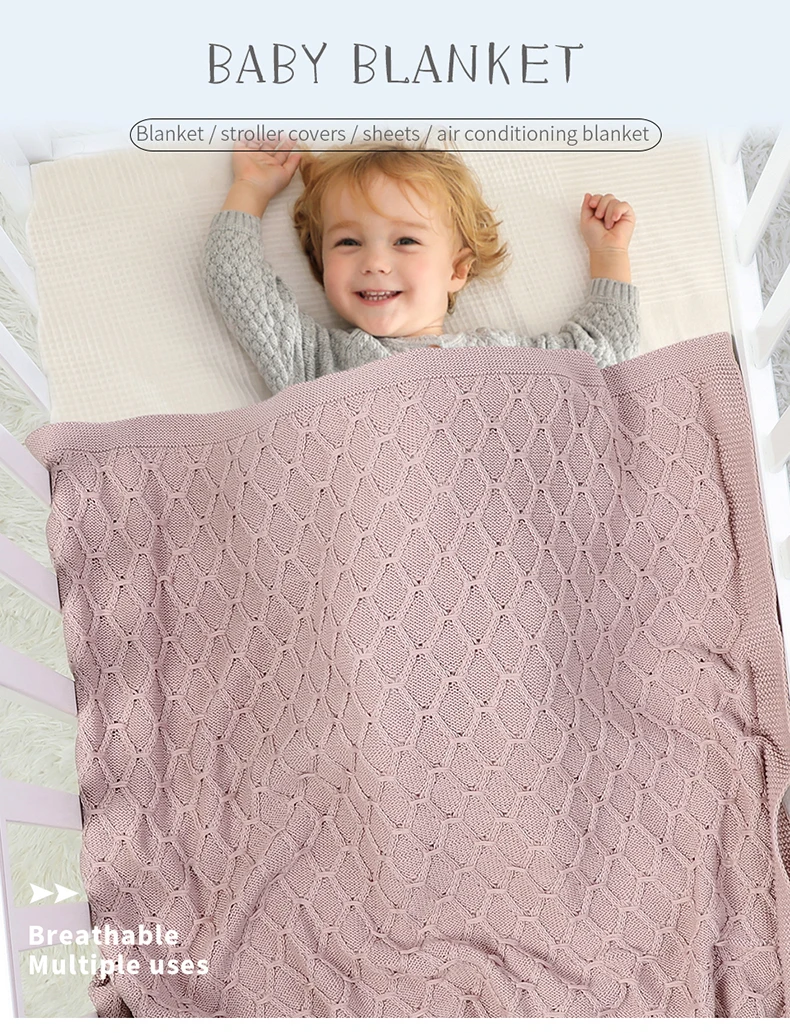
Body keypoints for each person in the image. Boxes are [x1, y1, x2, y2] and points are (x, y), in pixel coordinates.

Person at [204, 136, 639, 397]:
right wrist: (251, 188)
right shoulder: (317, 362)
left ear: (457, 271)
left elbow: (602, 352)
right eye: (348, 242)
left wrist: (609, 254)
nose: (375, 262)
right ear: (321, 265)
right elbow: (237, 280)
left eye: (405, 241)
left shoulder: (503, 358)